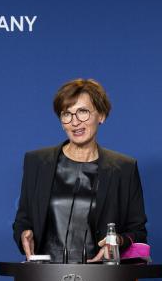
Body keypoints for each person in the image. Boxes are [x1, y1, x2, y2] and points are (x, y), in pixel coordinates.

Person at [12, 78, 147, 263]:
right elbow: (23, 220)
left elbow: (138, 231)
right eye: (67, 114)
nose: (75, 122)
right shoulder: (36, 162)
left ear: (101, 115)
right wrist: (23, 233)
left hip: (103, 276)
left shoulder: (124, 168)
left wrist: (117, 241)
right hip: (44, 276)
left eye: (83, 112)